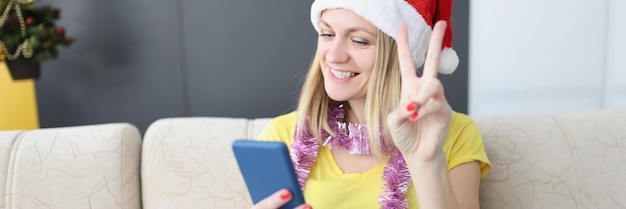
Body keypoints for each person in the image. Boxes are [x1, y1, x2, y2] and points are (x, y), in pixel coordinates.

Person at [255, 0, 491, 208]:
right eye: (327, 34)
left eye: (359, 41)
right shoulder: (281, 137)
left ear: (399, 53)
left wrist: (428, 163)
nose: (334, 56)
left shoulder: (456, 134)